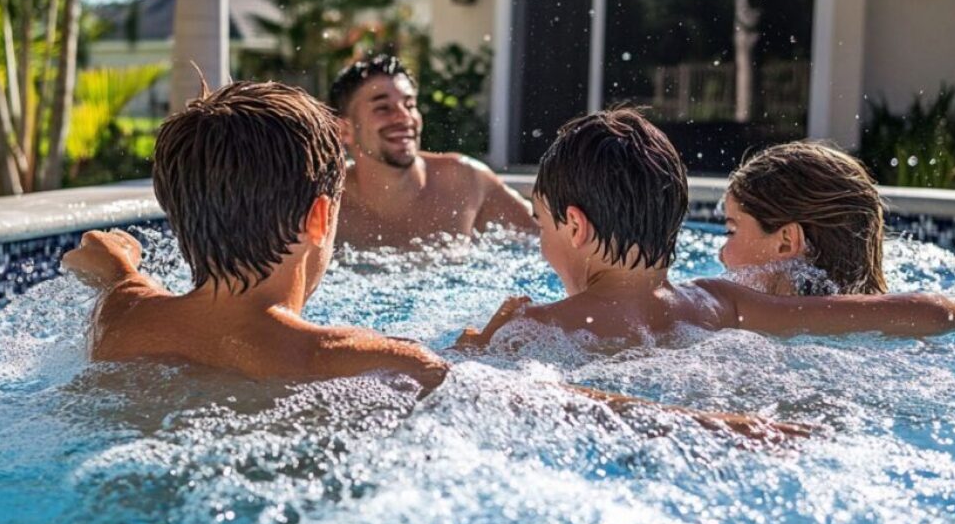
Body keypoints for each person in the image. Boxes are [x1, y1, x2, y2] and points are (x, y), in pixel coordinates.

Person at [61, 81, 807, 441]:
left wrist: (117, 261)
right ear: (325, 215)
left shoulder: (121, 319)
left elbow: (123, 278)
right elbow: (570, 409)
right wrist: (735, 428)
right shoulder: (363, 359)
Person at [459, 108, 955, 349]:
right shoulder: (722, 303)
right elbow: (930, 312)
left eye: (541, 224)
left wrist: (476, 345)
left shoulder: (532, 331)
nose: (543, 242)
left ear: (574, 225)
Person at [327, 55, 535, 248]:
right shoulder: (327, 206)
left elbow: (542, 245)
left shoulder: (465, 182)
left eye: (410, 105)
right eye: (383, 108)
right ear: (344, 130)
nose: (404, 117)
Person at [720, 141, 886, 295]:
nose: (721, 255)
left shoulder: (725, 319)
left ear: (786, 242)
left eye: (731, 231)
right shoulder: (894, 319)